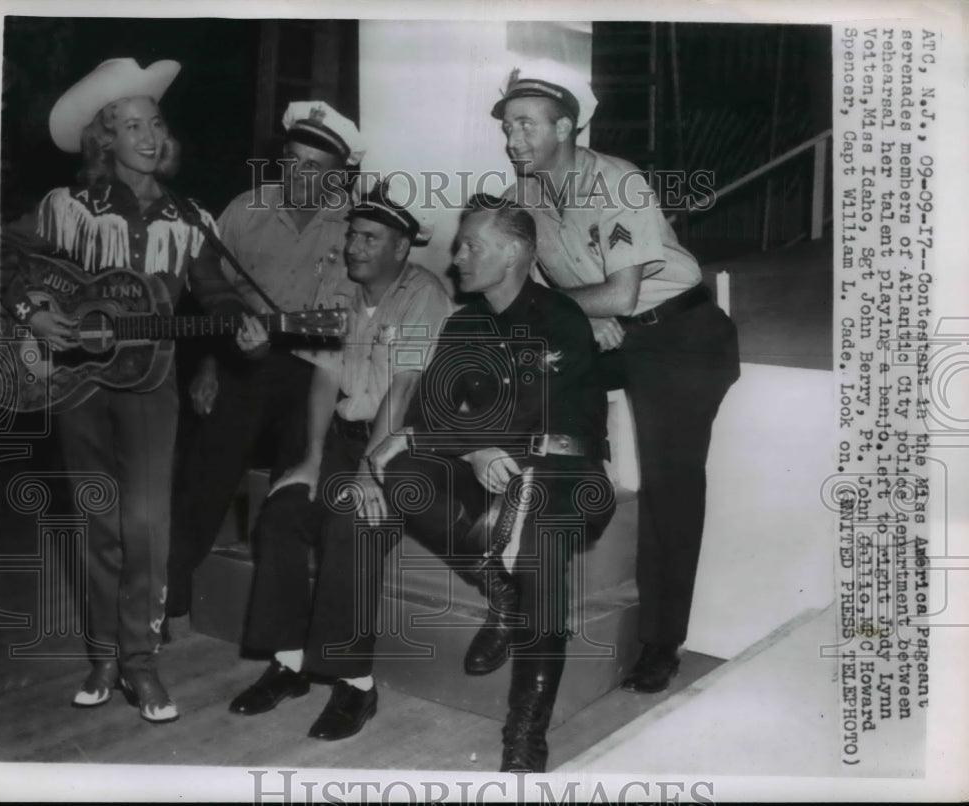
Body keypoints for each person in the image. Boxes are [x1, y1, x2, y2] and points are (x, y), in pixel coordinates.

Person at [314, 196, 615, 772]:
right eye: (459, 245)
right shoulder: (465, 322)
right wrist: (463, 446)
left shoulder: (560, 318)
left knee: (541, 547)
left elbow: (528, 414)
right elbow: (430, 412)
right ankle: (502, 591)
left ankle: (525, 733)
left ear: (516, 254)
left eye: (472, 245)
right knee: (399, 469)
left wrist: (449, 440)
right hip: (493, 473)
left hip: (564, 476)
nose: (457, 257)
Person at [0, 58, 247, 722]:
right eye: (130, 124)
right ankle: (103, 656)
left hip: (151, 384)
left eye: (155, 122)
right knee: (96, 523)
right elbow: (3, 255)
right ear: (104, 139)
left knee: (145, 525)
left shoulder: (190, 218)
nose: (146, 134)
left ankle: (141, 663)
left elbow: (217, 294)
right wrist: (36, 314)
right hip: (78, 384)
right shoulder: (67, 209)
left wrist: (239, 326)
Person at [493, 60, 741, 694]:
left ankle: (661, 643)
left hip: (683, 337)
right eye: (508, 126)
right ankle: (553, 525)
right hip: (617, 330)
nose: (512, 138)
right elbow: (532, 286)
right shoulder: (523, 195)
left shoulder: (618, 183)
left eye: (526, 125)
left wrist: (584, 310)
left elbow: (624, 292)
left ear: (568, 126)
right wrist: (583, 318)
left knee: (670, 485)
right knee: (516, 377)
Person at [228, 180, 453, 739]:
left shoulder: (421, 294)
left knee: (353, 522)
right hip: (342, 434)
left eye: (369, 238)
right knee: (283, 511)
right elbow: (326, 374)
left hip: (403, 445)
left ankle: (356, 684)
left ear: (400, 248)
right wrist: (309, 459)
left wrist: (367, 471)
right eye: (352, 234)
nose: (354, 246)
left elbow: (402, 391)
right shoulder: (337, 282)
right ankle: (290, 663)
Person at [165, 101, 364, 625]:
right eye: (292, 160)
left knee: (291, 492)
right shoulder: (245, 208)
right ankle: (169, 596)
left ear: (341, 174)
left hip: (316, 368)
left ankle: (284, 630)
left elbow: (360, 316)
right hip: (240, 357)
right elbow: (210, 285)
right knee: (202, 476)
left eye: (314, 167)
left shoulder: (357, 225)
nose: (298, 174)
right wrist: (210, 362)